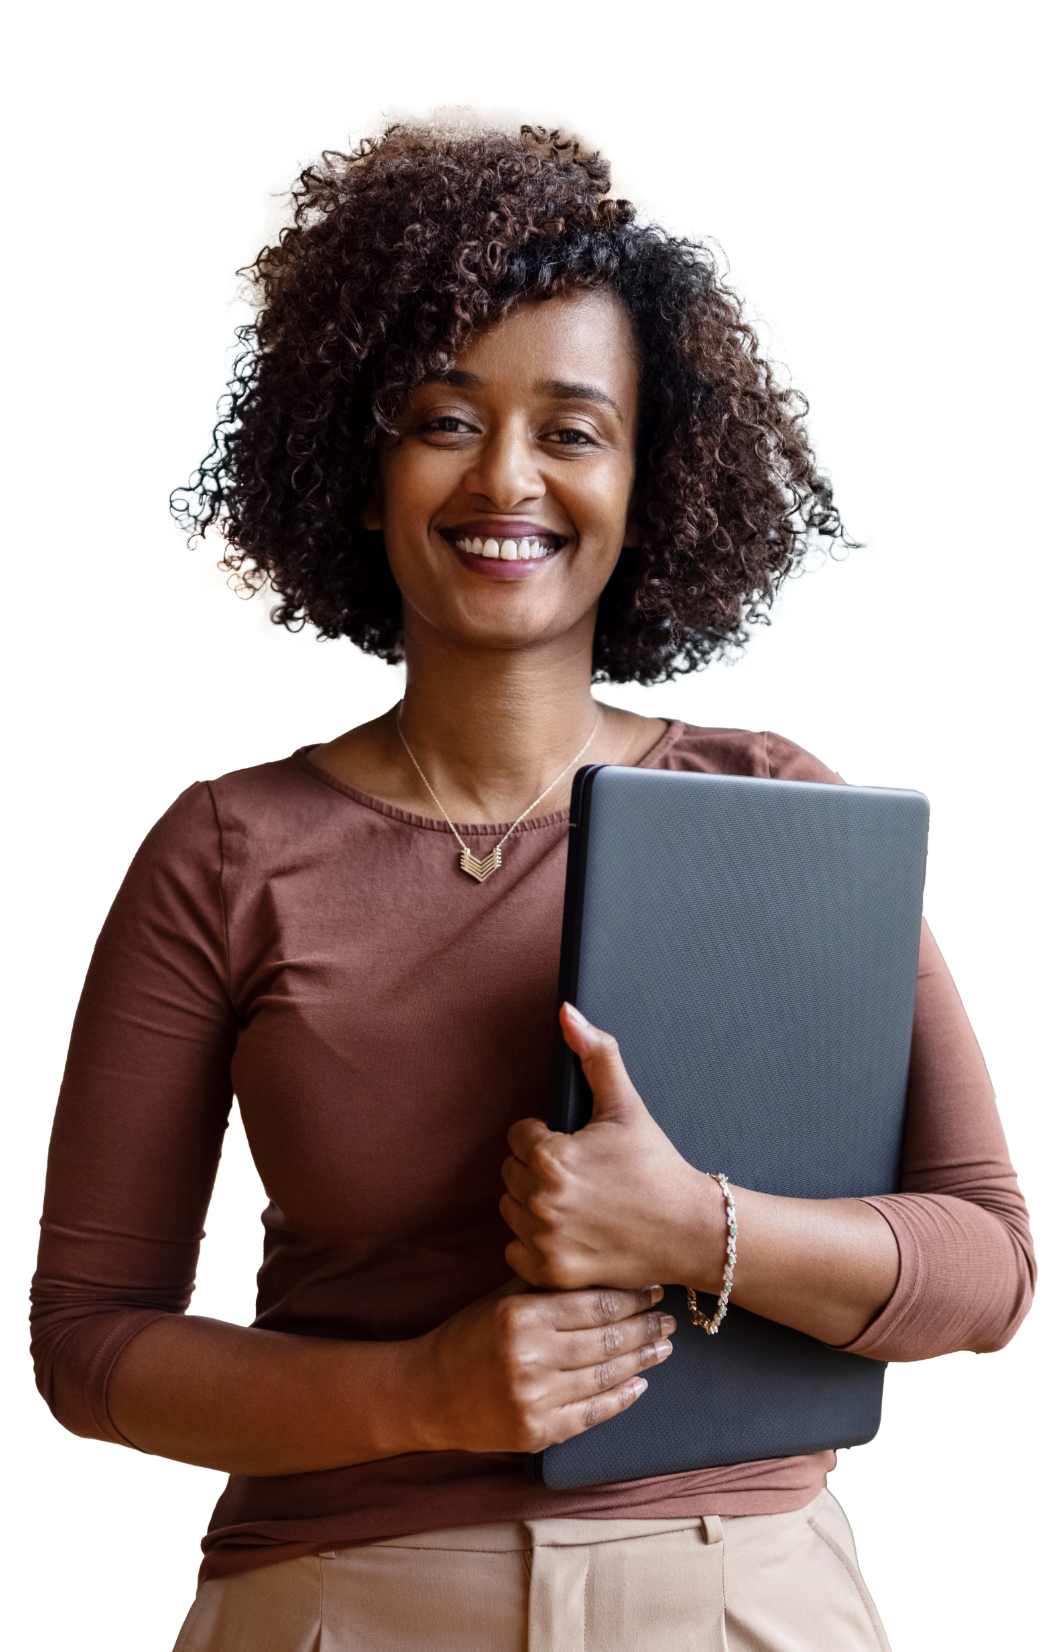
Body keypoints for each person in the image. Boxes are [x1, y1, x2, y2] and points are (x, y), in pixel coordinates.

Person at [31, 105, 1035, 1651]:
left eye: (572, 429)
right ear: (357, 471)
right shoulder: (225, 847)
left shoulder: (776, 807)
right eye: (442, 418)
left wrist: (699, 1229)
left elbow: (987, 1267)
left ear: (649, 485)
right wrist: (415, 1388)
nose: (506, 478)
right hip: (339, 1600)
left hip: (730, 1589)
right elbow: (87, 1346)